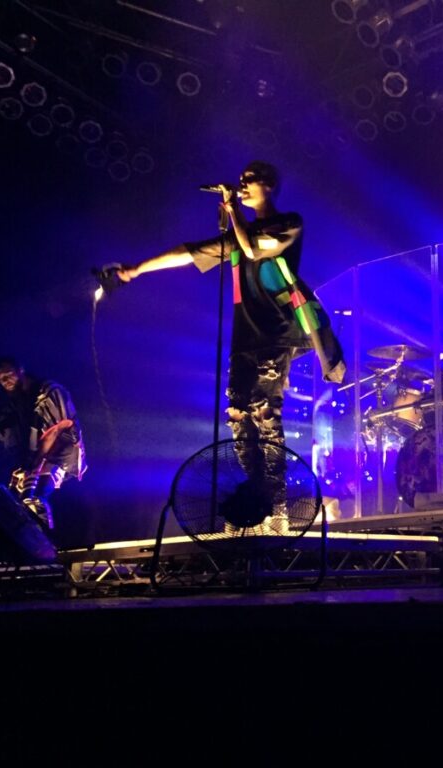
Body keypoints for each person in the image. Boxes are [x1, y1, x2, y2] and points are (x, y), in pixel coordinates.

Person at [118, 161, 344, 533]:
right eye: (239, 182)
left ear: (269, 185)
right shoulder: (238, 233)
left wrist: (232, 210)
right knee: (238, 415)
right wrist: (138, 269)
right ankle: (253, 502)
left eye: (248, 180)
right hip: (244, 339)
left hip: (276, 334)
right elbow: (190, 252)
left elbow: (254, 250)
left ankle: (277, 508)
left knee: (266, 415)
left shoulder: (288, 223)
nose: (241, 185)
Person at [0, 356, 86, 530]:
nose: (4, 381)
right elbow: (1, 424)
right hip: (38, 455)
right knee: (13, 498)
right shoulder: (19, 400)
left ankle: (44, 542)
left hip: (60, 454)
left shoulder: (49, 391)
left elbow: (56, 430)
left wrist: (35, 465)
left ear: (21, 370)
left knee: (34, 498)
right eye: (0, 379)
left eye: (8, 375)